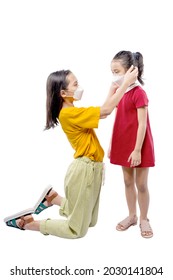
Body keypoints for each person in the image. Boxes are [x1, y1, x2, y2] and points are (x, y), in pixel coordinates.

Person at [4, 66, 137, 239]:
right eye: (75, 85)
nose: (79, 87)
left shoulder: (75, 112)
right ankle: (29, 223)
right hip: (84, 171)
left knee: (90, 221)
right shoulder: (69, 114)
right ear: (63, 93)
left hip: (94, 169)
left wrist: (112, 89)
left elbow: (103, 112)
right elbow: (105, 111)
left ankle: (53, 198)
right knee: (77, 230)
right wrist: (126, 83)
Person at [108, 51, 155, 238]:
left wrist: (137, 150)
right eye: (112, 72)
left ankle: (144, 218)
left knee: (141, 183)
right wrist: (112, 143)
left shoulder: (139, 93)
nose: (114, 76)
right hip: (122, 142)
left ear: (131, 71)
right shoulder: (119, 93)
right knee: (127, 181)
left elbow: (142, 123)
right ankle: (132, 216)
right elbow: (117, 119)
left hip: (139, 145)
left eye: (117, 71)